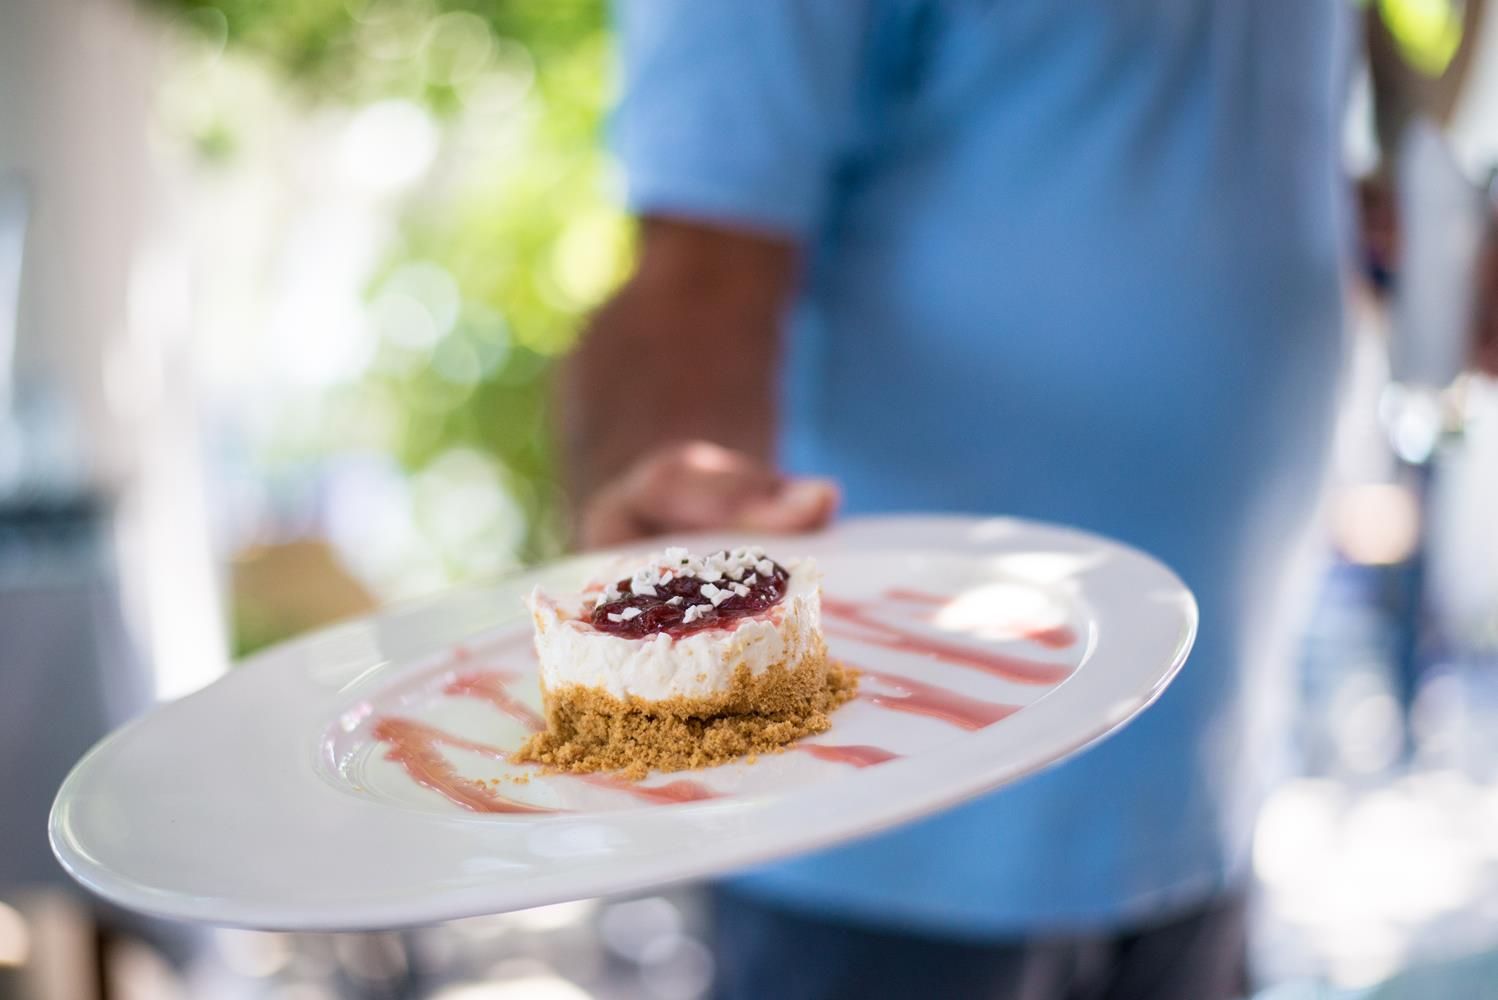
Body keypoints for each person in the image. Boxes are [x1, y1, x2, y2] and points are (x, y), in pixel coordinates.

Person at [563, 3, 1498, 997]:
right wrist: (664, 575)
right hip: (890, 847)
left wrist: (1413, 252)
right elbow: (701, 262)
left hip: (1200, 791)